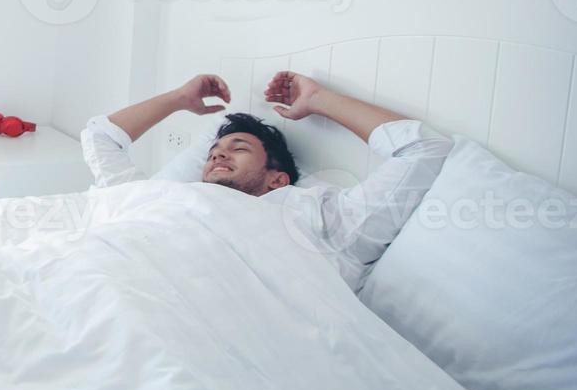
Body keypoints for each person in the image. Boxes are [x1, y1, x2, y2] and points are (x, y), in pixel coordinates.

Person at [81, 71, 452, 289]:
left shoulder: (313, 217)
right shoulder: (164, 198)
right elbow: (99, 136)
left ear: (278, 179)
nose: (218, 156)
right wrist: (179, 98)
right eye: (212, 154)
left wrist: (319, 99)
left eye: (238, 148)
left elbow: (424, 148)